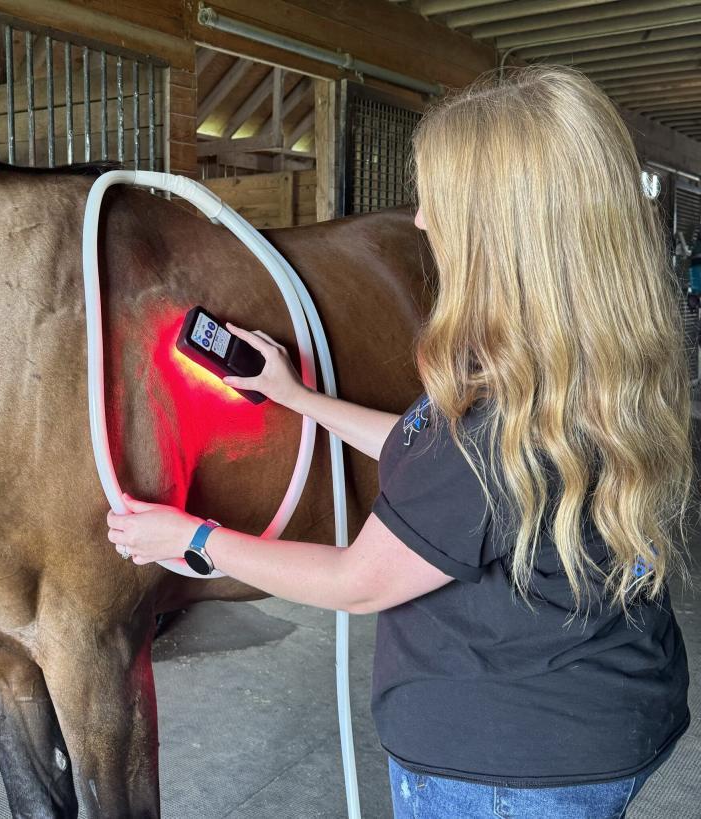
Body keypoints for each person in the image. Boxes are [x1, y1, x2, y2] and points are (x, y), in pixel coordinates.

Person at [104, 64, 694, 819]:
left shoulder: (487, 421)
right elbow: (450, 471)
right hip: (611, 705)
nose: (418, 221)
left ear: (498, 232)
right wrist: (300, 398)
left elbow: (359, 581)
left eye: (437, 201)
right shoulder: (584, 367)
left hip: (504, 769)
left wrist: (193, 539)